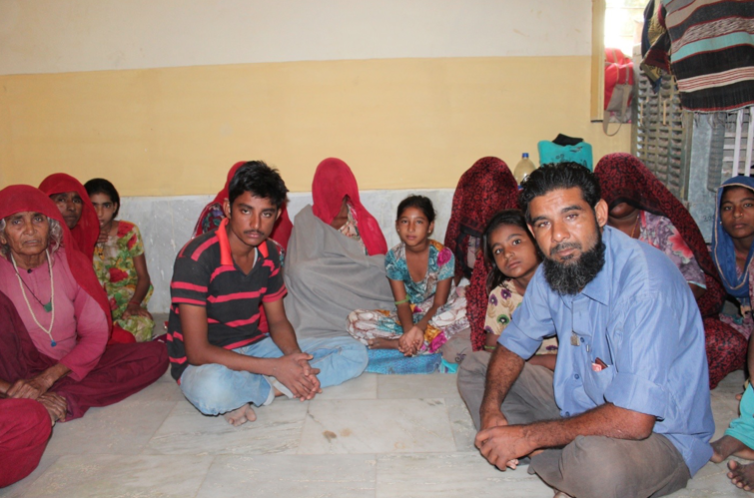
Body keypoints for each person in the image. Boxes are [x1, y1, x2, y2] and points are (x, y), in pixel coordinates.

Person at [459, 163, 713, 498]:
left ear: (600, 213)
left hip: (659, 436)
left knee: (600, 467)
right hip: (580, 405)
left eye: (572, 216)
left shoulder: (645, 285)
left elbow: (636, 420)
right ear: (534, 233)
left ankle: (547, 456)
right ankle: (552, 455)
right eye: (544, 224)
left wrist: (528, 437)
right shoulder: (556, 267)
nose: (559, 235)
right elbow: (512, 345)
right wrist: (492, 411)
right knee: (478, 367)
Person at [167, 161, 367, 426]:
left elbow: (278, 321)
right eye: (246, 211)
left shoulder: (270, 253)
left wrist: (296, 362)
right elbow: (197, 352)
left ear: (278, 215)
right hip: (207, 363)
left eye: (266, 214)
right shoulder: (196, 258)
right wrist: (275, 368)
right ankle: (262, 386)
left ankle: (261, 391)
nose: (255, 224)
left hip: (254, 346)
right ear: (228, 208)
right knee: (211, 389)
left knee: (355, 352)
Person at [0, 185, 168, 483]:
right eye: (16, 222)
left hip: (67, 366)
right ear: (3, 234)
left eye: (38, 220)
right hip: (14, 373)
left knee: (156, 354)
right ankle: (28, 400)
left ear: (51, 226)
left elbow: (94, 335)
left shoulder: (69, 262)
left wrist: (46, 379)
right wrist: (13, 387)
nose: (29, 230)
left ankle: (58, 399)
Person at [595, 152, 747, 388]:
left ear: (637, 186)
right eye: (609, 185)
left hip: (663, 320)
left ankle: (664, 388)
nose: (617, 191)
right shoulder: (591, 233)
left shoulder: (660, 225)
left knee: (728, 343)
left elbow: (694, 284)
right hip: (608, 327)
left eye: (623, 184)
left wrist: (655, 312)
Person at [284, 157, 395, 340]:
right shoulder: (305, 220)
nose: (333, 189)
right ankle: (340, 323)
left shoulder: (364, 221)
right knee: (301, 272)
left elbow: (380, 264)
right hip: (319, 292)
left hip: (361, 286)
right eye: (327, 184)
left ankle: (363, 319)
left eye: (338, 183)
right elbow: (297, 269)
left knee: (387, 268)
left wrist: (352, 268)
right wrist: (328, 271)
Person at [347, 195, 468, 355]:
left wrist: (418, 329)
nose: (411, 228)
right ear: (397, 226)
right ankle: (416, 343)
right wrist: (409, 331)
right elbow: (402, 303)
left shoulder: (443, 255)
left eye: (419, 222)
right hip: (408, 316)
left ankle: (400, 343)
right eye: (405, 221)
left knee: (468, 307)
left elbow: (439, 303)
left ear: (430, 226)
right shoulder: (393, 257)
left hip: (438, 313)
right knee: (354, 320)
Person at [444, 157, 520, 354]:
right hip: (469, 301)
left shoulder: (515, 233)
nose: (484, 198)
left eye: (491, 192)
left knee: (451, 349)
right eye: (478, 191)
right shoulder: (461, 228)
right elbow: (452, 276)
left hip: (504, 311)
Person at [709, 176, 754, 492]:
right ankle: (745, 433)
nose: (737, 215)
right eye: (729, 207)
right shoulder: (719, 252)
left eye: (748, 205)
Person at [477, 210, 556, 365]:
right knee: (475, 364)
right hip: (523, 369)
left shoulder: (562, 285)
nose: (507, 254)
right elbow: (492, 350)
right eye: (498, 250)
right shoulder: (502, 294)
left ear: (536, 239)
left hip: (567, 373)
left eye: (516, 242)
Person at [84, 178, 155, 342]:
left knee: (143, 326)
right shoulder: (78, 234)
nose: (100, 213)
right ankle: (107, 340)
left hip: (126, 305)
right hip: (93, 307)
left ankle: (108, 340)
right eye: (94, 205)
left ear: (115, 206)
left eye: (106, 206)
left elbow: (143, 277)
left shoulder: (128, 231)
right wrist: (90, 240)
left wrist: (134, 304)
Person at [39, 173, 99, 261]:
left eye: (76, 200)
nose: (72, 207)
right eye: (61, 200)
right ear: (44, 203)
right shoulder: (33, 243)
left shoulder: (82, 239)